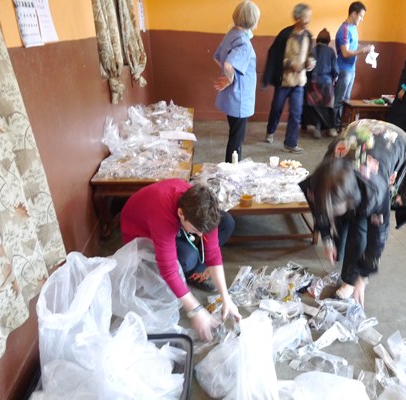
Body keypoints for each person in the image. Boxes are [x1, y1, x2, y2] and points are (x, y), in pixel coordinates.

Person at [299, 119, 406, 306]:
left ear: (352, 201)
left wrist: (362, 276)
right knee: (337, 218)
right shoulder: (320, 181)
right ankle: (339, 246)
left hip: (390, 141)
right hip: (358, 133)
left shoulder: (374, 193)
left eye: (340, 208)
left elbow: (377, 238)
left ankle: (349, 279)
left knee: (360, 228)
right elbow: (321, 209)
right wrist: (328, 239)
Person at [120, 179, 241, 341]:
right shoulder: (162, 215)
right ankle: (190, 270)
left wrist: (226, 298)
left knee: (226, 222)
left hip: (176, 225)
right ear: (180, 214)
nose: (200, 235)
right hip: (140, 232)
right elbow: (168, 270)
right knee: (186, 259)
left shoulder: (202, 209)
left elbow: (213, 253)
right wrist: (195, 310)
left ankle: (191, 270)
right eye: (196, 231)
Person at [262, 3, 316, 153]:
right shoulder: (285, 34)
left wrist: (311, 62)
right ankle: (270, 130)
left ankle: (291, 143)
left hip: (299, 82)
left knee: (296, 112)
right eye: (307, 16)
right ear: (298, 17)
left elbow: (311, 54)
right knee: (277, 108)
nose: (309, 19)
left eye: (310, 16)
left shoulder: (308, 36)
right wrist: (288, 63)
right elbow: (274, 55)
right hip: (284, 81)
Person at [214, 1, 261, 163]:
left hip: (233, 96)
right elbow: (228, 64)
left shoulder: (232, 34)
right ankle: (232, 169)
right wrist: (229, 78)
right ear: (254, 21)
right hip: (239, 97)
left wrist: (229, 77)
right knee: (236, 140)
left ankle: (231, 166)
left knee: (234, 134)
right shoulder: (244, 42)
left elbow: (218, 57)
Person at [332, 1, 372, 136]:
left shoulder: (353, 28)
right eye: (361, 16)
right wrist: (362, 51)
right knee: (339, 100)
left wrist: (364, 48)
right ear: (354, 14)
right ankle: (333, 126)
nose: (361, 19)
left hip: (351, 69)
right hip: (343, 69)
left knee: (346, 100)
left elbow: (353, 45)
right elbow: (345, 52)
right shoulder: (344, 30)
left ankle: (341, 125)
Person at [303, 28, 338, 139]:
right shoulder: (331, 51)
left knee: (315, 106)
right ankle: (331, 129)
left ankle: (316, 128)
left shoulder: (312, 50)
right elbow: (335, 69)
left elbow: (307, 69)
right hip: (327, 84)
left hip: (313, 83)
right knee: (327, 106)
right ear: (328, 40)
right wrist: (335, 78)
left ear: (318, 39)